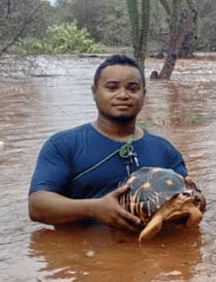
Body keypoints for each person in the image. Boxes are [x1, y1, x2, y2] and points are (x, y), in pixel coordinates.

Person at [29, 54, 198, 230]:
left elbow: (189, 200)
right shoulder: (64, 144)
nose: (123, 95)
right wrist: (93, 209)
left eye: (132, 89)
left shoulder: (164, 149)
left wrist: (198, 200)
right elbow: (37, 205)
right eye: (112, 87)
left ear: (144, 94)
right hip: (85, 254)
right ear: (94, 91)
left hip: (151, 249)